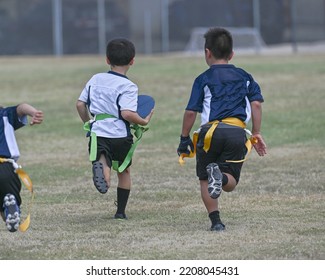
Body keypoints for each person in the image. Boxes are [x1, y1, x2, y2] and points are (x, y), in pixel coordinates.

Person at [177, 27, 267, 231]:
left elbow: (191, 112)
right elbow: (257, 105)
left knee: (204, 177)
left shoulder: (203, 79)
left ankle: (216, 222)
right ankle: (222, 177)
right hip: (236, 132)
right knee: (231, 182)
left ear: (207, 53)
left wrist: (184, 138)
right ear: (232, 54)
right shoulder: (244, 76)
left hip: (210, 133)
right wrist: (256, 133)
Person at [76, 38, 154, 220]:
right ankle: (120, 212)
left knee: (104, 160)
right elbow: (127, 114)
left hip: (99, 131)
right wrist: (143, 121)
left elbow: (80, 105)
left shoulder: (95, 79)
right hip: (120, 134)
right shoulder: (128, 86)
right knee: (124, 170)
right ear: (132, 61)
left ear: (107, 60)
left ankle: (102, 169)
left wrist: (88, 122)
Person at [0, 103, 43, 232]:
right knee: (6, 196)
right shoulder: (5, 115)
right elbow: (21, 108)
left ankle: (9, 210)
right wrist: (34, 112)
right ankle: (11, 208)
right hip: (6, 167)